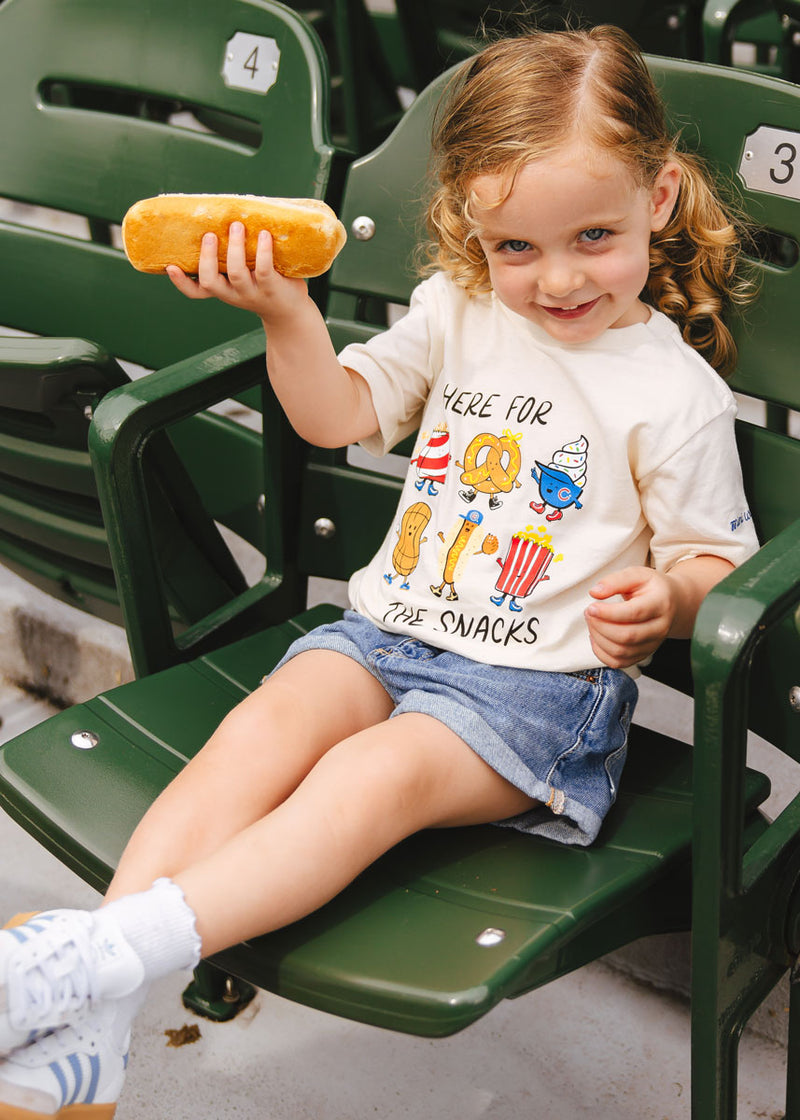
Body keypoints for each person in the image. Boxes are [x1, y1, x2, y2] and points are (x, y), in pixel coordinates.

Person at [0, 24, 760, 1118]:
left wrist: (669, 596)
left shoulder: (668, 388)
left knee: (366, 778)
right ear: (470, 226)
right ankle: (96, 1009)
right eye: (514, 248)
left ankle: (84, 964)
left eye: (592, 235)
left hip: (533, 696)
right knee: (265, 726)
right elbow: (336, 413)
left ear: (660, 194)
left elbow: (709, 559)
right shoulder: (457, 312)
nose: (553, 279)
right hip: (386, 634)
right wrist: (284, 315)